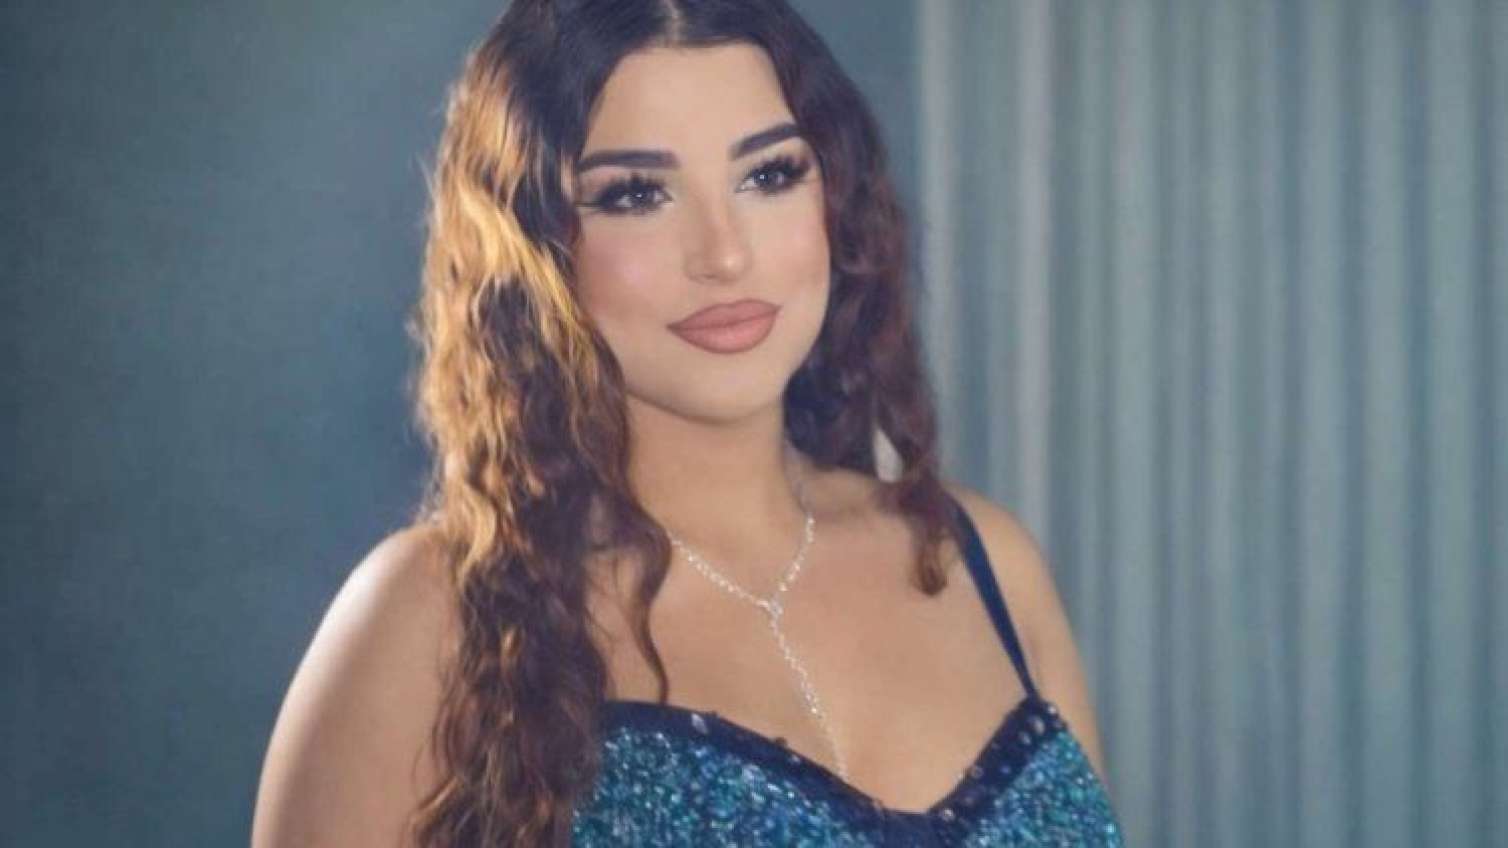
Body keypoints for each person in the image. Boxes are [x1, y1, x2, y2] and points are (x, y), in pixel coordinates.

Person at [251, 0, 1123, 845]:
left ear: (836, 198)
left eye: (768, 175)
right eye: (637, 194)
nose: (725, 254)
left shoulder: (985, 563)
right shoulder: (433, 618)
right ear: (531, 245)